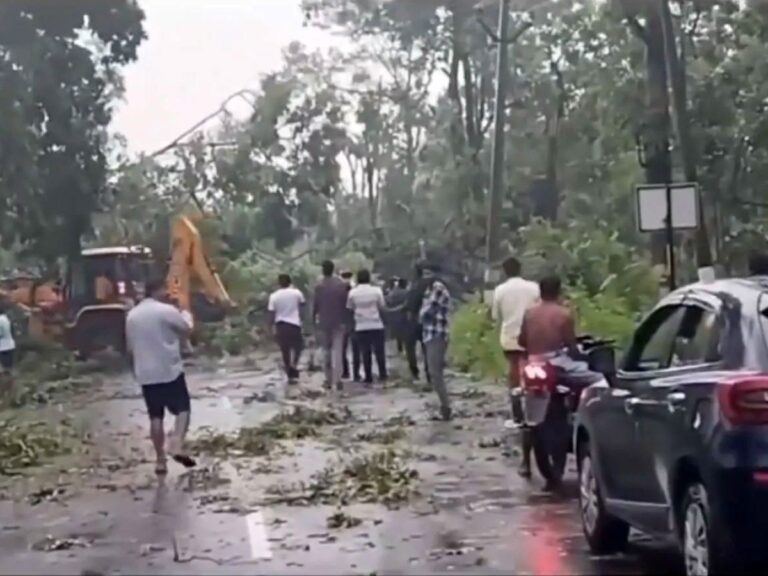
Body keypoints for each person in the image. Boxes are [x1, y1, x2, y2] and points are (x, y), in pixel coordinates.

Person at [125, 275, 196, 476]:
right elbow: (186, 329)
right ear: (156, 290)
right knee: (183, 409)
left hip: (146, 373)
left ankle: (160, 461)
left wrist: (135, 371)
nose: (167, 293)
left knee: (155, 416)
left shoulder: (132, 316)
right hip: (169, 370)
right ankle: (176, 444)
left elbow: (130, 349)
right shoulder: (166, 311)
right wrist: (186, 312)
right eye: (164, 289)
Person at [492, 257, 540, 391]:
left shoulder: (500, 290)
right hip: (532, 336)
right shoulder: (534, 287)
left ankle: (515, 396)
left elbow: (495, 316)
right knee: (534, 363)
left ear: (504, 272)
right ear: (520, 269)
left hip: (510, 336)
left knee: (513, 365)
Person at [419, 264, 452, 420]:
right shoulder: (429, 289)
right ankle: (444, 405)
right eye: (424, 273)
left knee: (435, 372)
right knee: (435, 372)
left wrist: (420, 315)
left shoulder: (438, 288)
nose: (426, 276)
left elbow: (427, 312)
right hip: (430, 334)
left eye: (429, 273)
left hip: (436, 334)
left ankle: (446, 407)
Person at [347, 269, 387, 385]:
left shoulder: (353, 293)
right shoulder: (376, 291)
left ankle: (368, 376)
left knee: (365, 352)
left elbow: (350, 308)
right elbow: (382, 306)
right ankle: (382, 374)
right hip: (376, 324)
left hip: (361, 325)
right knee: (379, 351)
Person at [313, 260, 348, 391]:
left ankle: (328, 379)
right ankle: (338, 380)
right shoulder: (341, 285)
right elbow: (346, 304)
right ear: (333, 269)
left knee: (326, 351)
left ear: (323, 270)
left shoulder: (319, 286)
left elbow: (316, 305)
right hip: (339, 321)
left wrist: (313, 320)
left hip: (324, 322)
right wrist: (347, 320)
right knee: (338, 352)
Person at [268, 274, 305, 383]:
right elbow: (303, 306)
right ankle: (294, 364)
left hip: (281, 325)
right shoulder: (297, 293)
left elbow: (271, 313)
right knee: (298, 346)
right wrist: (302, 319)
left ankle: (289, 371)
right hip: (294, 324)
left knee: (285, 350)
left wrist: (270, 327)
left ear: (279, 283)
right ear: (290, 282)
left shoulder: (274, 296)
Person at [404, 261, 431, 383]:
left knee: (410, 347)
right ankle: (429, 373)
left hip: (413, 319)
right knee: (427, 348)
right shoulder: (428, 284)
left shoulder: (413, 286)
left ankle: (414, 371)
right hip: (426, 320)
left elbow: (409, 305)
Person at [386, 278, 410, 354]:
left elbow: (388, 302)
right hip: (405, 315)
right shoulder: (407, 292)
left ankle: (399, 349)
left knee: (398, 334)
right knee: (406, 333)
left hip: (395, 315)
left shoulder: (392, 292)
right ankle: (406, 349)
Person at [0, 300, 16, 373]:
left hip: (3, 347)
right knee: (9, 367)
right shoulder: (5, 318)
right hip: (9, 345)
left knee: (6, 369)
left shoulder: (0, 320)